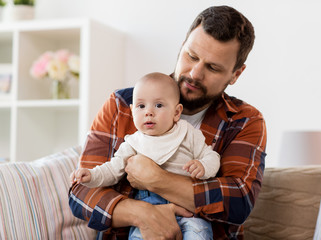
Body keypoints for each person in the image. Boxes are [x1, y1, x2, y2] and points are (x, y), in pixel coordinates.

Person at [69, 5, 267, 240]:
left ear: (235, 74)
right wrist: (144, 215)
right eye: (191, 56)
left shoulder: (245, 121)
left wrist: (157, 179)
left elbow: (238, 202)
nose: (194, 73)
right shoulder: (123, 104)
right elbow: (81, 194)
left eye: (213, 67)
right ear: (182, 44)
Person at [70, 72, 220, 239]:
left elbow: (212, 157)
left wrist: (204, 166)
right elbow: (112, 170)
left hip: (189, 213)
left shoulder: (188, 134)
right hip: (148, 209)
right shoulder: (133, 143)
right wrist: (91, 175)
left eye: (159, 105)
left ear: (177, 112)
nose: (149, 112)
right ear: (133, 111)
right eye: (141, 106)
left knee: (199, 234)